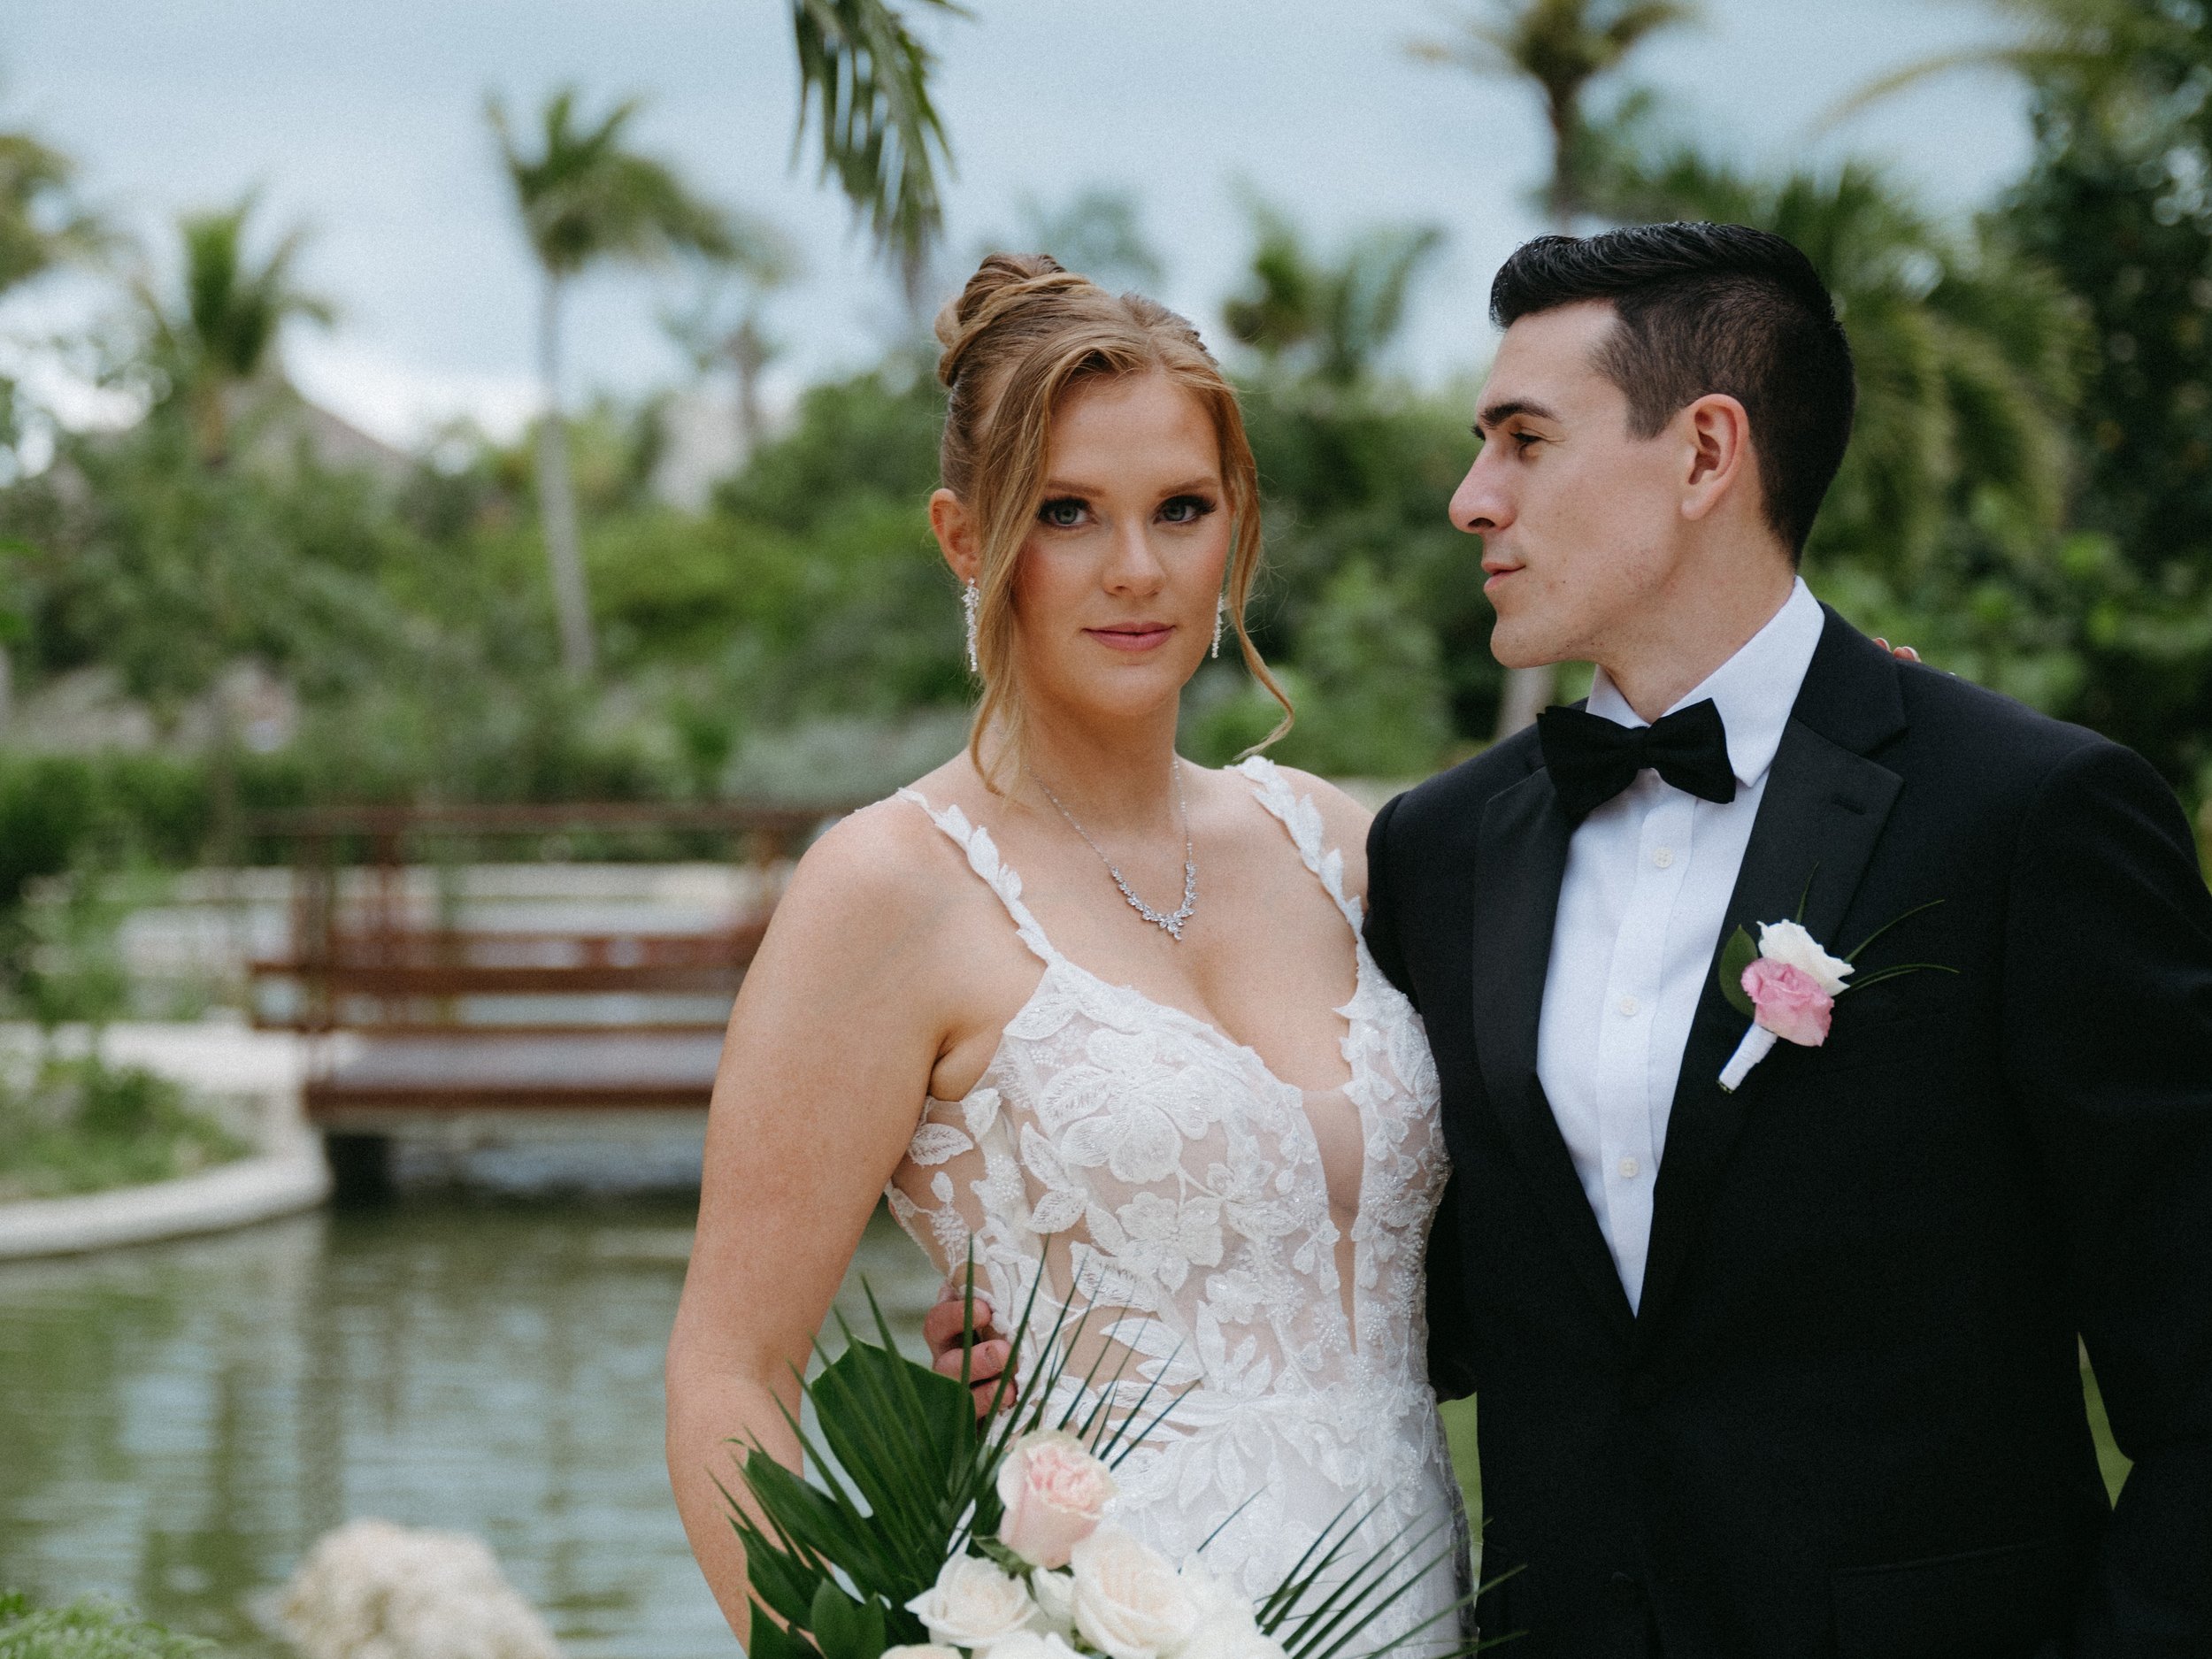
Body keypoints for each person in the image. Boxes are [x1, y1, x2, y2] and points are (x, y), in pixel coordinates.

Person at [1364, 223, 2212, 1654]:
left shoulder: (2029, 818)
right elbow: (1437, 1303)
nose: (1470, 498)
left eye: (1523, 440)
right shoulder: (1439, 851)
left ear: (1705, 454)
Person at [664, 254, 1466, 1650]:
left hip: (1413, 1604)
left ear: (1237, 528)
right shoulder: (890, 888)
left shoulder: (1329, 845)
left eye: (1182, 510)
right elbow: (730, 1374)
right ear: (967, 539)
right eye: (1068, 514)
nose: (1137, 570)